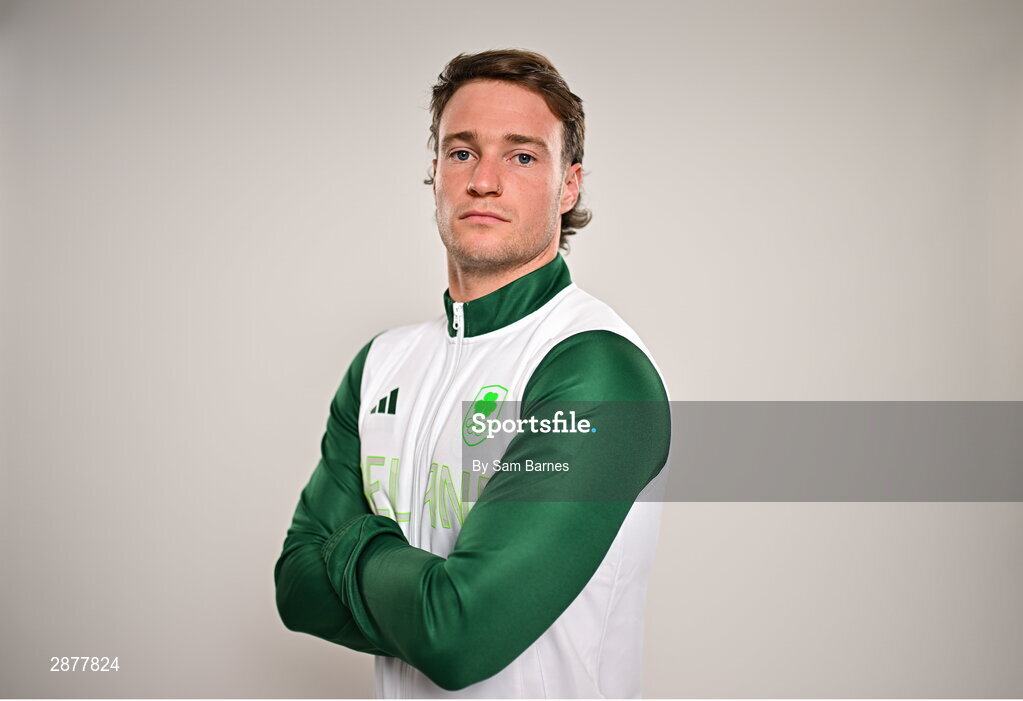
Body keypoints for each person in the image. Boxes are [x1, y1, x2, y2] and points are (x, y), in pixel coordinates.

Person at [273, 49, 671, 698]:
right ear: (433, 173)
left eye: (521, 155)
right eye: (461, 152)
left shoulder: (596, 367)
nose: (484, 180)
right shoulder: (381, 364)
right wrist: (423, 598)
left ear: (568, 185)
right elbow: (296, 587)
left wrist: (347, 542)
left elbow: (461, 634)